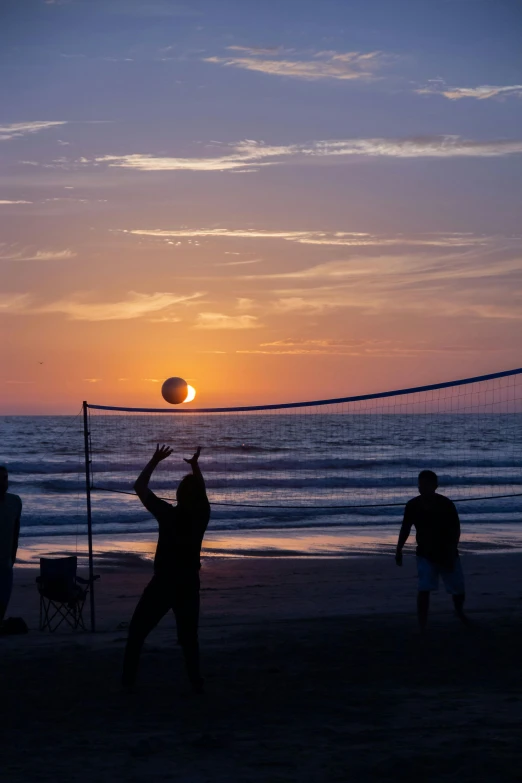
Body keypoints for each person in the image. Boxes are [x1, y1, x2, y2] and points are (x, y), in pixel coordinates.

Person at [122, 445, 210, 693]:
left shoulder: (168, 514)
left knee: (137, 632)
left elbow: (139, 486)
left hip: (164, 583)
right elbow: (201, 496)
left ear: (179, 495)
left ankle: (128, 682)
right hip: (188, 583)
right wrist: (194, 466)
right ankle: (196, 682)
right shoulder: (201, 516)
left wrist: (154, 460)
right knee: (188, 638)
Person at [395, 469, 467, 631]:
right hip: (425, 553)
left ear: (435, 486)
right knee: (424, 588)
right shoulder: (412, 505)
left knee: (458, 588)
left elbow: (455, 529)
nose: (422, 487)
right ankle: (422, 623)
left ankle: (459, 612)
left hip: (446, 551)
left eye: (426, 484)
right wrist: (399, 549)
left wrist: (451, 550)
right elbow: (405, 528)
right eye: (420, 484)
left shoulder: (446, 504)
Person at [0, 466, 22, 627]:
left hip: (6, 563)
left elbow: (15, 531)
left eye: (5, 478)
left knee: (3, 602)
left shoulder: (15, 502)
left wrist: (13, 556)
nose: (2, 482)